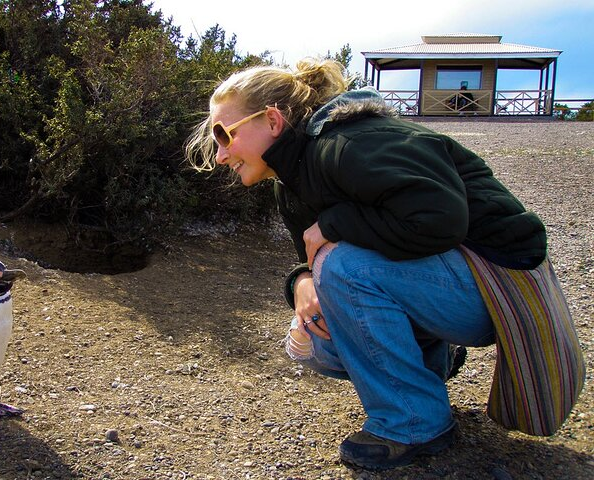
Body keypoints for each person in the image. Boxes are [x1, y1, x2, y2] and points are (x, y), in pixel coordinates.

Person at [184, 59, 551, 470]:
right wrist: (302, 282)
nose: (219, 155)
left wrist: (333, 228)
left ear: (272, 120)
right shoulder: (292, 182)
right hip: (450, 285)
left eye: (223, 135)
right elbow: (309, 254)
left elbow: (440, 220)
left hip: (504, 287)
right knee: (317, 343)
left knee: (342, 268)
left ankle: (415, 422)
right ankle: (431, 364)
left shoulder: (351, 143)